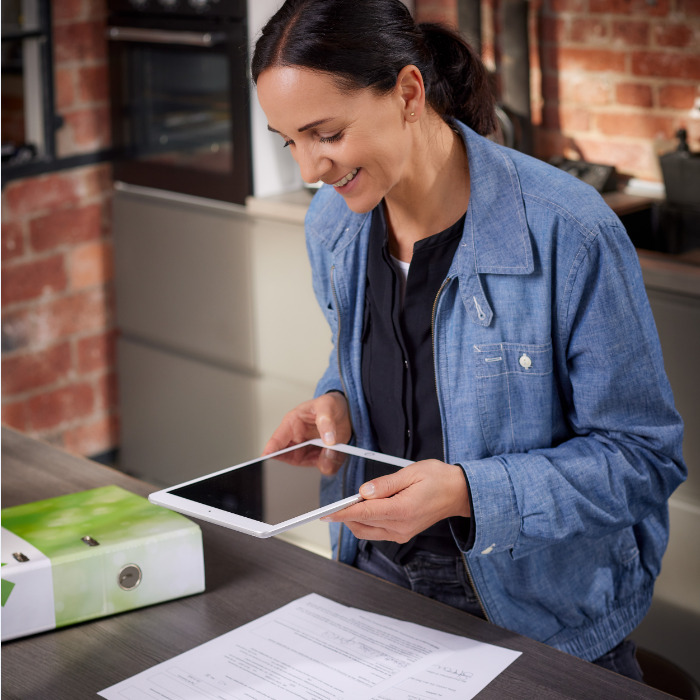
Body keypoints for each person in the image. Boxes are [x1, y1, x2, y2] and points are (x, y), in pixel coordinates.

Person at [252, 0, 686, 681]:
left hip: (539, 624)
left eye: (325, 133)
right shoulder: (332, 229)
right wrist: (334, 401)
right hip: (370, 585)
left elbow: (643, 462)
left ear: (407, 93)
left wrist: (467, 493)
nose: (310, 167)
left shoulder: (569, 232)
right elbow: (369, 360)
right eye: (289, 141)